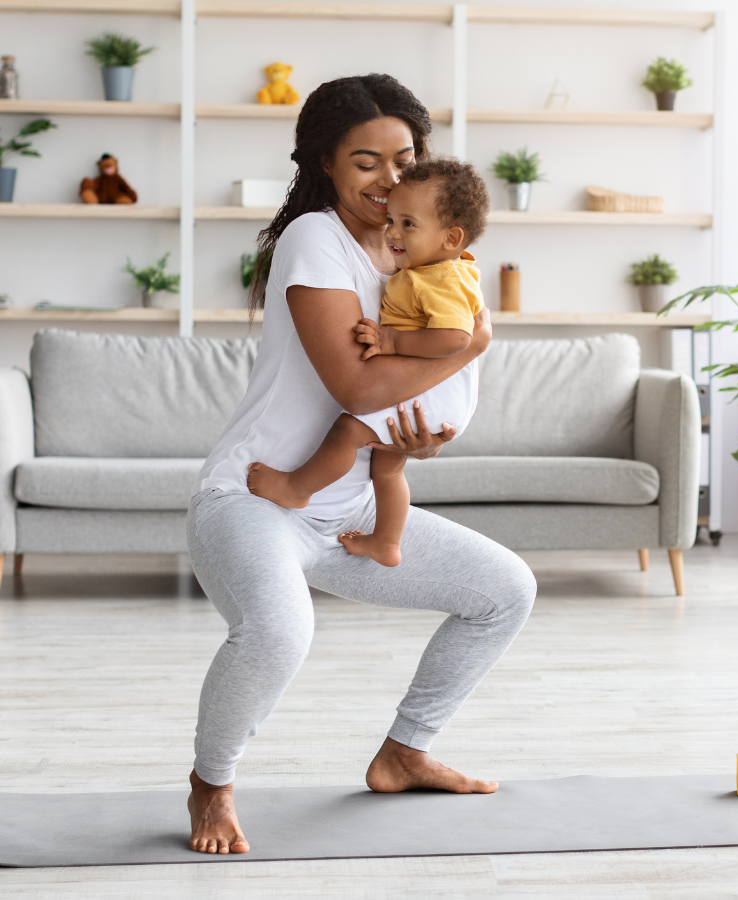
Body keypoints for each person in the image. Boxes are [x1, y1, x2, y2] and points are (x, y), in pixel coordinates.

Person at [185, 74, 537, 855]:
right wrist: (469, 348)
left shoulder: (418, 251)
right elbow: (357, 383)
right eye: (365, 162)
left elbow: (400, 399)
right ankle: (212, 782)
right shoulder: (316, 238)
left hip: (348, 511)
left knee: (504, 590)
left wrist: (422, 440)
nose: (387, 181)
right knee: (279, 632)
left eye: (403, 159)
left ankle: (403, 753)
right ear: (325, 164)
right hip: (253, 499)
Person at [246, 157, 490, 569]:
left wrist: (392, 339)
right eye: (392, 219)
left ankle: (296, 487)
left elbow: (457, 339)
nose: (392, 232)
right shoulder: (434, 269)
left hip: (432, 390)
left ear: (452, 239)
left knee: (346, 431)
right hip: (436, 393)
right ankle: (386, 542)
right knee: (389, 470)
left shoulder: (442, 278)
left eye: (407, 224)